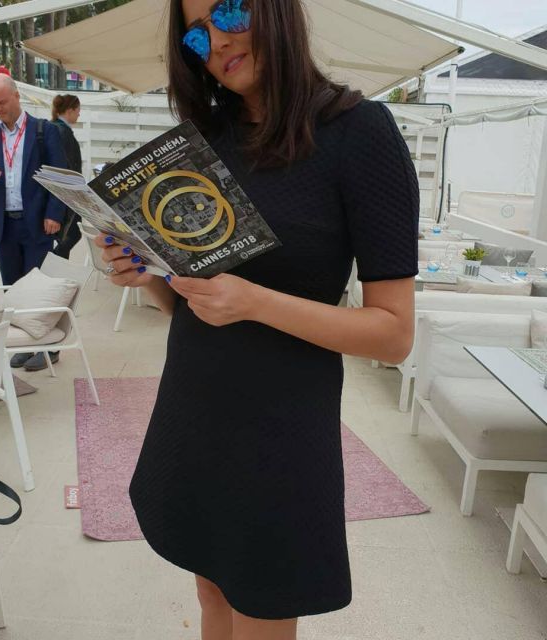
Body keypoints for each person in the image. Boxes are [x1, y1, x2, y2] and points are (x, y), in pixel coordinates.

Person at [96, 0, 418, 638]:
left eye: (230, 12)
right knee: (211, 594)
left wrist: (255, 302)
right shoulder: (207, 139)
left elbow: (393, 333)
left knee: (262, 606)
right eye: (196, 35)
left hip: (280, 431)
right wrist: (148, 273)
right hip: (193, 410)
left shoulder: (358, 133)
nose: (215, 41)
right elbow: (192, 302)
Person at [0, 74, 67, 370]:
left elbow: (59, 176)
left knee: (39, 288)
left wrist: (54, 214)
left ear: (16, 96)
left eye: (2, 102)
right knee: (12, 289)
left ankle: (50, 348)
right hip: (4, 224)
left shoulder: (44, 131)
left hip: (37, 221)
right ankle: (25, 345)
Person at [50, 94, 83, 259]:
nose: (79, 114)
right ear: (70, 110)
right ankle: (52, 261)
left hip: (59, 192)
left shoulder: (54, 128)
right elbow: (67, 166)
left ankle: (53, 260)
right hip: (65, 193)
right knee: (72, 233)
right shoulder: (63, 132)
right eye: (78, 110)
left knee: (68, 234)